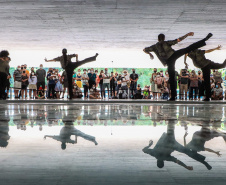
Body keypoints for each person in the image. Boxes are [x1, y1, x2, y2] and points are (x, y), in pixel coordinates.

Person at [144, 32, 212, 100]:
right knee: (188, 48)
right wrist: (187, 35)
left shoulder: (154, 46)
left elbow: (144, 50)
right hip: (173, 55)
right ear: (164, 38)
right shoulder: (167, 42)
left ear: (158, 39)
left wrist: (150, 54)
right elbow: (178, 40)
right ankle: (205, 39)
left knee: (172, 77)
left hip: (168, 61)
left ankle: (173, 96)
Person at [142, 121, 212, 170]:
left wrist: (186, 167)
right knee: (170, 127)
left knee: (187, 152)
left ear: (163, 162)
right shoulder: (154, 154)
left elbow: (177, 161)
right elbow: (144, 150)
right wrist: (149, 145)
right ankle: (171, 119)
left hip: (173, 144)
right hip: (168, 139)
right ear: (157, 162)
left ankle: (204, 162)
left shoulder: (166, 158)